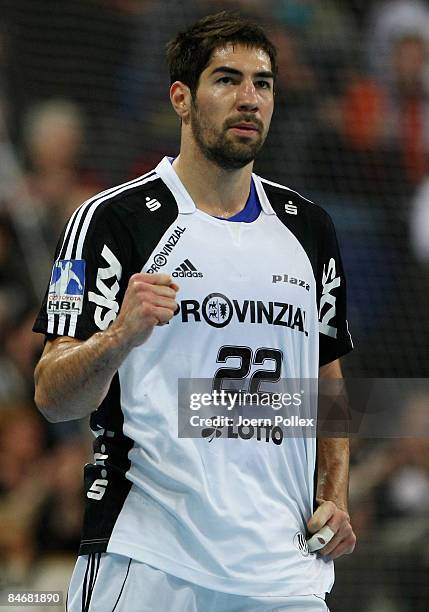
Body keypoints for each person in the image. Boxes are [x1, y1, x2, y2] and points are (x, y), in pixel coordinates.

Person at [33, 11, 356, 611]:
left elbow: (325, 377)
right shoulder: (115, 220)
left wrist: (334, 490)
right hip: (152, 560)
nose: (249, 99)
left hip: (286, 574)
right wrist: (120, 336)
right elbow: (54, 397)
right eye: (227, 80)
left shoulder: (309, 229)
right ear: (181, 98)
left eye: (262, 83)